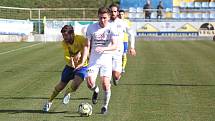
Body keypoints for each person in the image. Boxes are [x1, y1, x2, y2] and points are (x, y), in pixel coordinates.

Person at [43, 25, 89, 112]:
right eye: (63, 36)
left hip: (82, 66)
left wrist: (79, 53)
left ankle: (68, 92)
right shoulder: (64, 43)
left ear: (72, 34)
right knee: (60, 87)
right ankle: (49, 102)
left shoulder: (80, 39)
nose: (64, 38)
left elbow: (87, 47)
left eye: (66, 35)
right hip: (70, 66)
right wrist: (72, 62)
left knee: (75, 86)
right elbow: (68, 56)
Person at [86, 7, 118, 114]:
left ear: (109, 17)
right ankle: (96, 90)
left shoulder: (112, 28)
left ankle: (105, 106)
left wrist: (104, 48)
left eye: (104, 18)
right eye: (100, 18)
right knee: (90, 83)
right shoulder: (91, 28)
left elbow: (114, 46)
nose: (102, 20)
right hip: (94, 60)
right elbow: (87, 45)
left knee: (105, 83)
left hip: (106, 59)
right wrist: (84, 58)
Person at [109, 3, 136, 86]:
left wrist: (132, 47)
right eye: (111, 11)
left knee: (116, 75)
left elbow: (131, 34)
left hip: (118, 51)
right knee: (106, 76)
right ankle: (107, 88)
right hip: (107, 51)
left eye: (115, 11)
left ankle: (116, 77)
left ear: (117, 12)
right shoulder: (105, 22)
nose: (113, 13)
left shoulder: (123, 23)